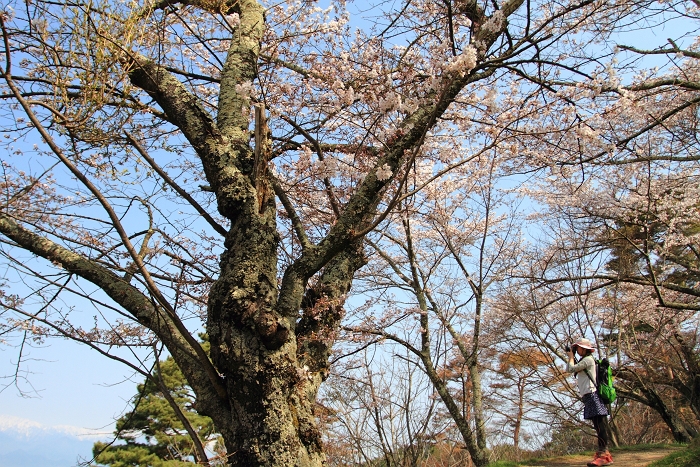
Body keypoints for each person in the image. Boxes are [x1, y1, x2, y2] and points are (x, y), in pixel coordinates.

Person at [566, 337, 614, 467]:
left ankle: (603, 454)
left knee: (600, 425)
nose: (577, 350)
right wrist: (573, 355)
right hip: (590, 396)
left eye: (578, 348)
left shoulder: (588, 359)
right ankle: (604, 455)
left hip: (592, 395)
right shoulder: (585, 360)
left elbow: (570, 369)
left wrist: (570, 356)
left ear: (584, 349)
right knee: (598, 425)